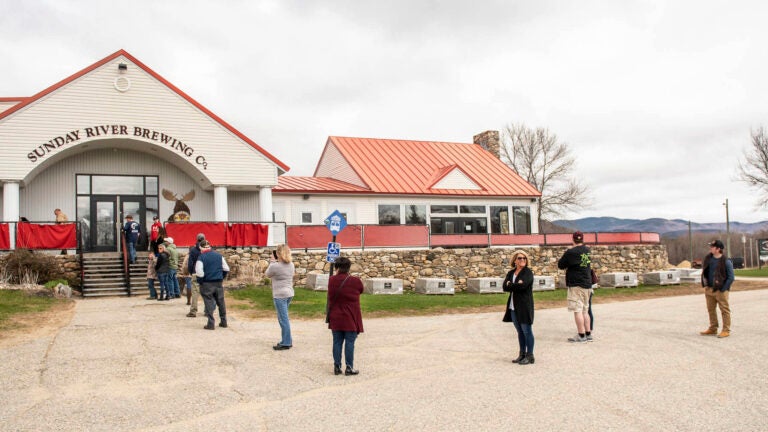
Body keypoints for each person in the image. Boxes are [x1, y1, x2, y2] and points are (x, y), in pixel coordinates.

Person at [326, 257, 364, 376]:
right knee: (349, 342)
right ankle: (349, 367)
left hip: (336, 316)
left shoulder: (331, 280)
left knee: (337, 342)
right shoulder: (355, 281)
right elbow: (361, 290)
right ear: (349, 267)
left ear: (336, 267)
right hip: (350, 316)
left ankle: (337, 367)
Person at [558, 231, 593, 343]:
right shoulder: (587, 250)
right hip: (587, 283)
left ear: (572, 239)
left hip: (576, 284)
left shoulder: (570, 252)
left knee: (577, 310)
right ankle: (588, 334)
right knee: (585, 310)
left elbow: (561, 265)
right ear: (582, 239)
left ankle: (581, 335)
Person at [502, 250, 535, 365]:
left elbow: (523, 286)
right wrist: (515, 285)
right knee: (520, 331)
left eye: (524, 258)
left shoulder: (528, 273)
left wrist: (511, 285)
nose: (522, 260)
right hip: (513, 307)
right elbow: (504, 287)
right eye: (520, 258)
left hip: (524, 306)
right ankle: (522, 354)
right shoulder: (511, 273)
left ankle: (530, 356)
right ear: (515, 260)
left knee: (527, 331)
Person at [700, 239, 735, 338]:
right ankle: (713, 328)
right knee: (711, 309)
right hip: (709, 289)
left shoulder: (726, 262)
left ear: (718, 249)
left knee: (724, 310)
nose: (710, 248)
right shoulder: (708, 259)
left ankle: (726, 330)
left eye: (712, 246)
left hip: (721, 290)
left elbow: (731, 277)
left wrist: (723, 289)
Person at [265, 244, 296, 350]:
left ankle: (286, 342)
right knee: (284, 318)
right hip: (289, 293)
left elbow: (267, 274)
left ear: (279, 254)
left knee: (283, 319)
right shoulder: (291, 264)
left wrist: (272, 262)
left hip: (280, 295)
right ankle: (286, 340)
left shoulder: (275, 266)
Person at [195, 239, 230, 330]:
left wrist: (201, 281)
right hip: (218, 282)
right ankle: (224, 321)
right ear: (210, 247)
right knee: (221, 302)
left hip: (207, 283)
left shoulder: (201, 258)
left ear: (201, 248)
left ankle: (211, 323)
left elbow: (199, 273)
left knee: (208, 302)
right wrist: (221, 277)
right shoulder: (219, 256)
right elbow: (226, 268)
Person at [186, 233, 205, 318]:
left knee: (195, 292)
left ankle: (193, 311)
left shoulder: (193, 250)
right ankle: (207, 310)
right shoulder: (207, 249)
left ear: (197, 239)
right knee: (206, 292)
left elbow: (190, 263)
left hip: (195, 272)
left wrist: (191, 272)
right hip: (205, 273)